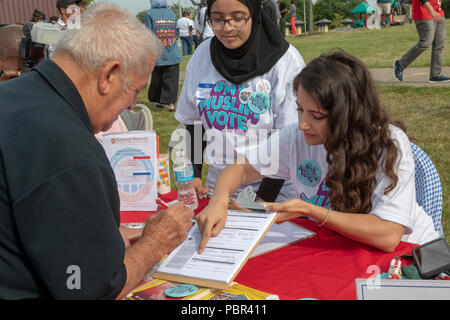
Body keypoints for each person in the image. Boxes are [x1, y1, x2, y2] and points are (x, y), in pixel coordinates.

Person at [0, 4, 194, 300]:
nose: (132, 106)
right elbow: (92, 290)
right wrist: (153, 244)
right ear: (109, 75)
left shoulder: (12, 95)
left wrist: (101, 238)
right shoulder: (70, 149)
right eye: (135, 90)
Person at [195, 50, 440, 254]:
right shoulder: (295, 136)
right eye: (300, 109)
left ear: (348, 116)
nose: (303, 123)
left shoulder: (388, 144)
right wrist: (218, 200)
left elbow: (387, 235)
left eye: (317, 116)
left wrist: (310, 210)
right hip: (342, 247)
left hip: (411, 255)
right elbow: (238, 169)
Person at [175, 0, 306, 203]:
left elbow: (288, 142)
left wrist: (257, 204)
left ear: (254, 14)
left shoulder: (285, 62)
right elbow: (193, 123)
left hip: (274, 195)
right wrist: (194, 175)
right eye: (217, 19)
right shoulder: (202, 56)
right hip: (219, 192)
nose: (227, 28)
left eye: (237, 18)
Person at [393, 0, 449, 83]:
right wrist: (432, 11)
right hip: (424, 13)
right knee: (425, 42)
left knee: (439, 43)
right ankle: (400, 64)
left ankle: (435, 75)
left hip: (438, 12)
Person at [145, 0, 183, 112]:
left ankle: (158, 101)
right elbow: (175, 32)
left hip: (158, 53)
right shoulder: (171, 13)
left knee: (157, 79)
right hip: (173, 51)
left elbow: (149, 33)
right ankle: (171, 104)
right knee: (171, 79)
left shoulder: (149, 14)